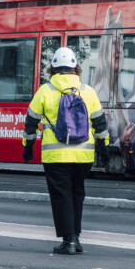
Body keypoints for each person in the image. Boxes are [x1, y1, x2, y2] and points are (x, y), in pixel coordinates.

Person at [22, 46, 110, 255]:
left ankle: (68, 240)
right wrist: (104, 149)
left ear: (52, 68)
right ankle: (76, 238)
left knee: (61, 196)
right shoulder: (88, 91)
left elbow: (30, 124)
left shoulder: (45, 90)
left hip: (56, 155)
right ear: (75, 68)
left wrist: (28, 147)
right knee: (77, 194)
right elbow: (100, 124)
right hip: (84, 155)